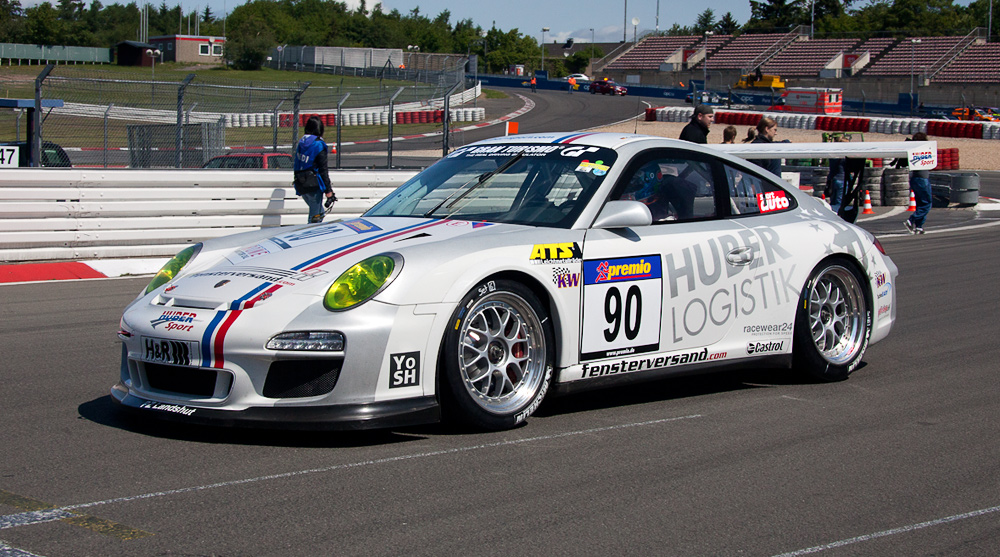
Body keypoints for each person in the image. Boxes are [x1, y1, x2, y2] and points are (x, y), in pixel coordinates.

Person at [294, 116, 336, 223]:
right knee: (314, 219)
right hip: (313, 185)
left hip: (300, 183)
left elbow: (296, 163)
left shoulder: (301, 142)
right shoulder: (319, 145)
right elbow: (323, 170)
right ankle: (310, 238)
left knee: (319, 212)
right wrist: (328, 190)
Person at [903, 132, 932, 234]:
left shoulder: (912, 150)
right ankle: (911, 220)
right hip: (922, 179)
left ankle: (919, 226)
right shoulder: (923, 150)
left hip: (914, 179)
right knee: (927, 204)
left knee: (920, 203)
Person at [826, 135, 850, 213]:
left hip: (833, 180)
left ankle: (832, 212)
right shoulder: (844, 157)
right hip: (842, 180)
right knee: (839, 202)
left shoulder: (833, 156)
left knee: (833, 200)